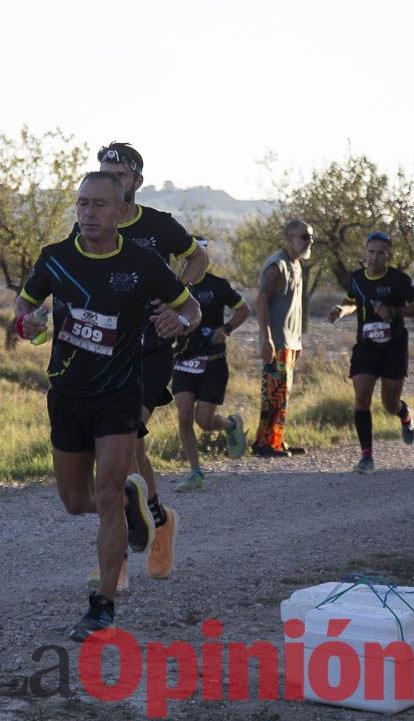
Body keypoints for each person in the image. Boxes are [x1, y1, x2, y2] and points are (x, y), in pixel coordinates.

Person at [17, 171, 201, 641]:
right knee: (76, 502)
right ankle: (130, 501)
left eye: (99, 205)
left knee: (103, 497)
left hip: (119, 394)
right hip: (67, 393)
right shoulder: (55, 259)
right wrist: (32, 323)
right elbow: (24, 312)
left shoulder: (142, 263)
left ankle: (103, 604)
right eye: (81, 204)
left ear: (120, 212)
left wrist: (176, 320)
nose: (88, 213)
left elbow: (191, 309)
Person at [84, 142, 209, 582]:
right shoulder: (93, 225)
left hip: (153, 345)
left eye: (118, 174)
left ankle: (118, 560)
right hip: (109, 346)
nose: (110, 180)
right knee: (128, 447)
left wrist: (178, 291)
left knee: (121, 441)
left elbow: (200, 256)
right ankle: (158, 522)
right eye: (103, 173)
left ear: (136, 180)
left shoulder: (159, 226)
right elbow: (68, 270)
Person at [328, 231, 414, 474]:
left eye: (380, 253)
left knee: (389, 404)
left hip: (393, 348)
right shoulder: (357, 278)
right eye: (370, 252)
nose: (374, 258)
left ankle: (405, 415)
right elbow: (352, 300)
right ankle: (366, 457)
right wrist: (341, 310)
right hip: (366, 346)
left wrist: (393, 312)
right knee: (362, 396)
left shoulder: (401, 280)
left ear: (388, 255)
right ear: (365, 253)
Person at [171, 240, 252, 491]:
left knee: (203, 421)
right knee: (184, 414)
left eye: (196, 256)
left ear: (204, 259)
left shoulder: (218, 285)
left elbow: (244, 309)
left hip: (213, 362)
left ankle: (231, 425)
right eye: (186, 257)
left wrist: (225, 329)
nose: (191, 261)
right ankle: (195, 473)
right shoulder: (173, 286)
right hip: (184, 361)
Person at [253, 219, 313, 457]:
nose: (309, 242)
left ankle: (276, 441)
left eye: (310, 237)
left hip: (290, 342)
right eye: (304, 237)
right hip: (276, 341)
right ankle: (263, 444)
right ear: (288, 239)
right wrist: (266, 338)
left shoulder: (296, 265)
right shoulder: (276, 266)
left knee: (282, 394)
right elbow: (261, 301)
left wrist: (298, 342)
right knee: (273, 394)